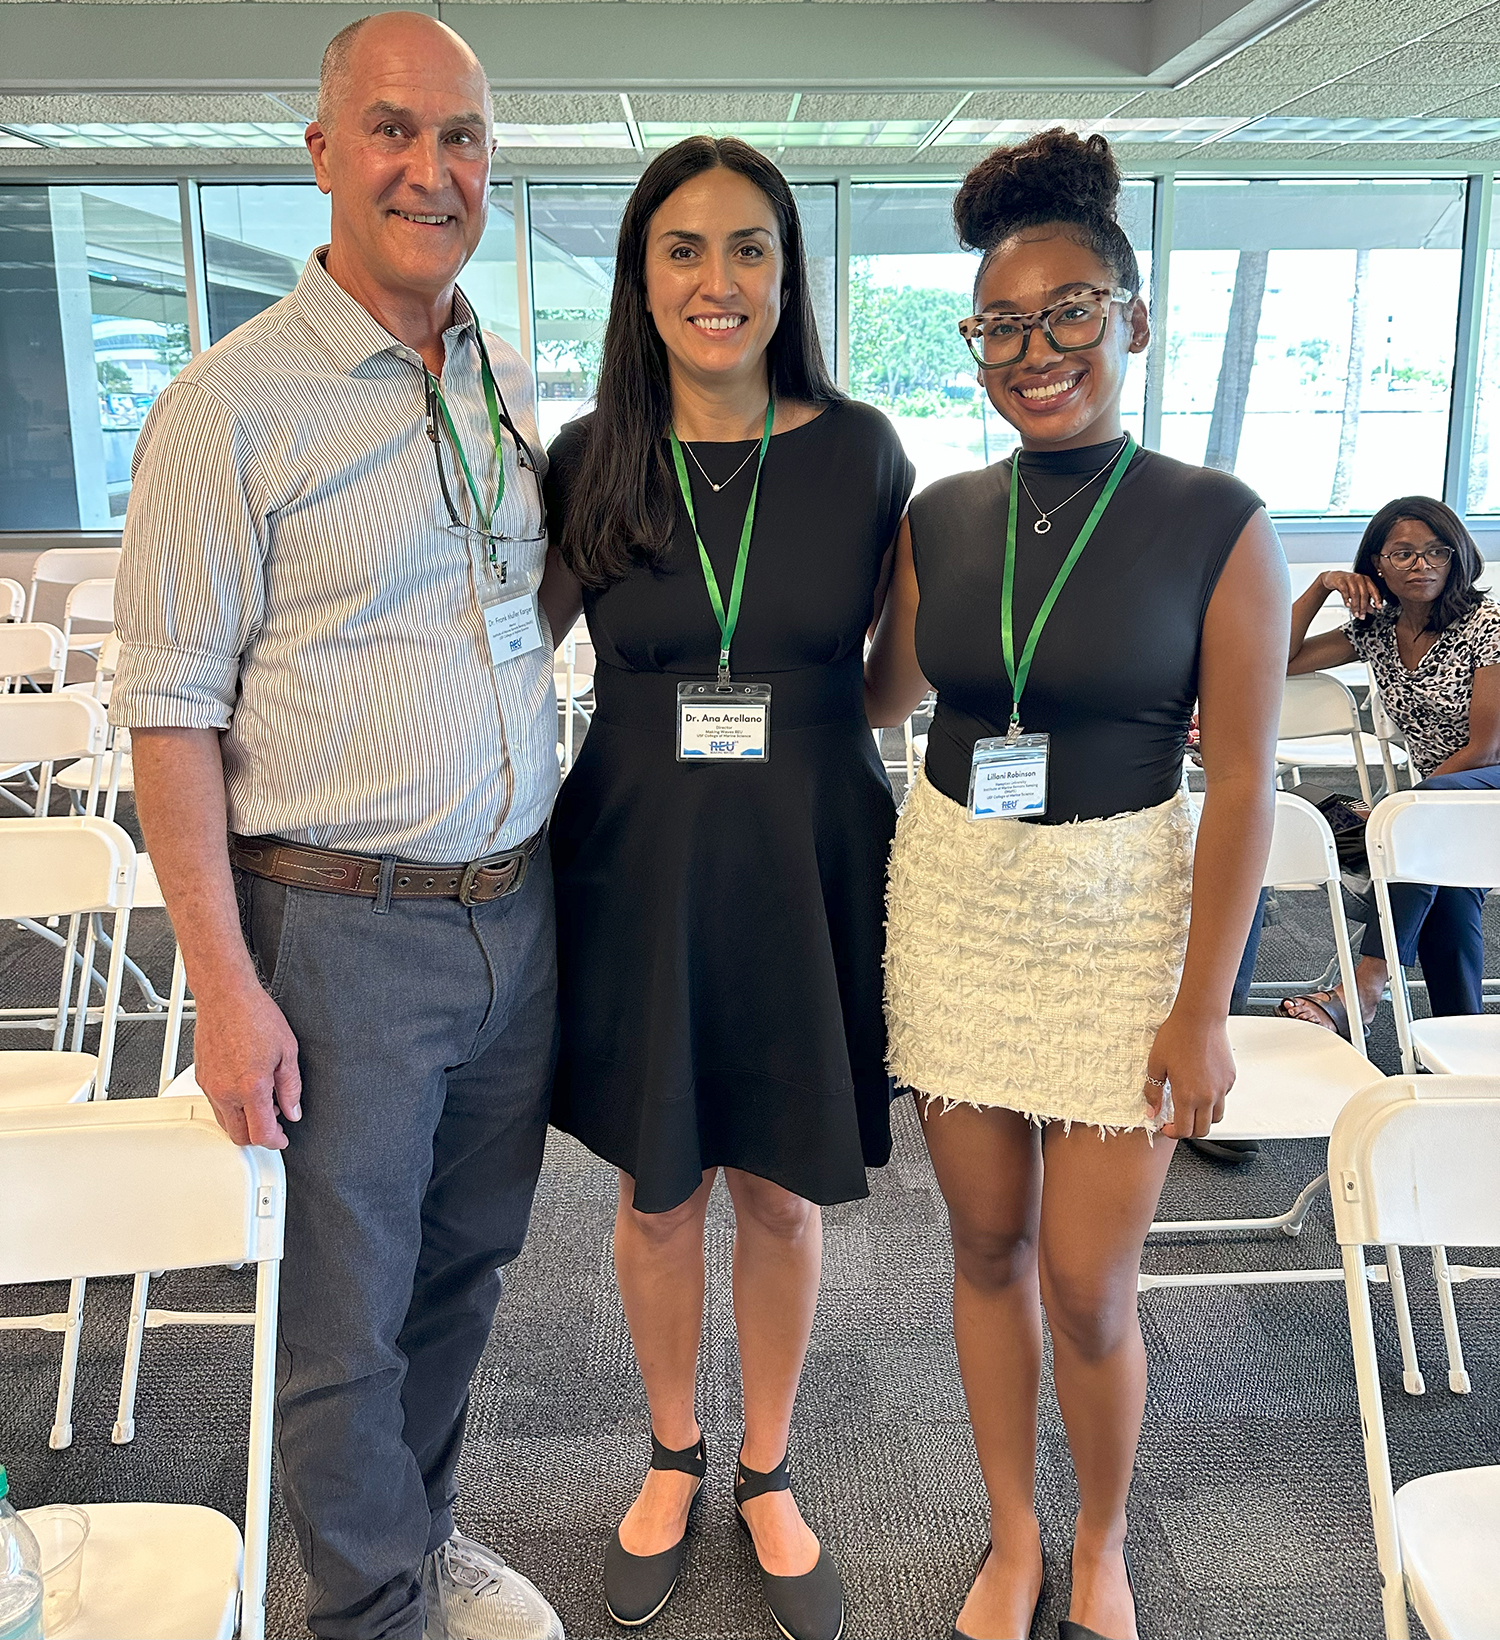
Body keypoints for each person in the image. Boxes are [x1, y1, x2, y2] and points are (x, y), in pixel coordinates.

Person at [110, 15, 565, 1639]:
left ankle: (416, 1545)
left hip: (516, 916)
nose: (430, 170)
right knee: (346, 1318)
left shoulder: (495, 375)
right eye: (392, 130)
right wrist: (223, 988)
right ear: (321, 154)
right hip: (338, 935)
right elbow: (171, 712)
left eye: (462, 139)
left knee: (465, 1273)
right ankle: (365, 1612)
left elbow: (509, 609)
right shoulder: (227, 407)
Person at [865, 130, 1287, 1640]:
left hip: (1121, 930)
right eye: (1000, 325)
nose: (1034, 353)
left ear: (1133, 316)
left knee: (1089, 1282)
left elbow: (1243, 780)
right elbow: (879, 698)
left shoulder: (1218, 520)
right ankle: (1013, 1534)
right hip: (961, 908)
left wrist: (1206, 1008)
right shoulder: (941, 516)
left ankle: (1104, 1537)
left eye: (1069, 315)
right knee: (983, 1247)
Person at [538, 136, 912, 1640]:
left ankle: (765, 1467)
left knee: (778, 1179)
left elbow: (893, 685)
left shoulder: (864, 447)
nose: (718, 279)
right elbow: (511, 647)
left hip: (807, 847)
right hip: (637, 853)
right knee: (657, 1180)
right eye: (684, 249)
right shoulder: (586, 457)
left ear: (787, 273)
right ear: (640, 276)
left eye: (749, 247)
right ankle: (671, 1449)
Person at [1280, 496, 1500, 1035]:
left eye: (1435, 552)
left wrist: (1406, 807)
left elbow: (1488, 749)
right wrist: (1322, 586)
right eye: (1402, 554)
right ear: (1376, 563)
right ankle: (1462, 1043)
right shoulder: (1376, 629)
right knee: (1444, 890)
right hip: (1441, 803)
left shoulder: (1487, 624)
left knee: (1418, 826)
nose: (1420, 566)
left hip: (1477, 786)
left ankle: (1366, 983)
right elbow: (1275, 658)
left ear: (1456, 559)